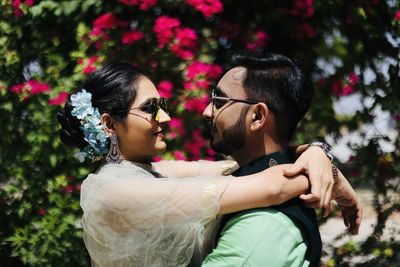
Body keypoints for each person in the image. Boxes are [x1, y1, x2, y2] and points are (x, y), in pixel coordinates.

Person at [57, 62, 358, 267]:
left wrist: (316, 152)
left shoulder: (157, 173)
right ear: (109, 124)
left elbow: (251, 166)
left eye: (162, 106)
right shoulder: (112, 193)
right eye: (150, 109)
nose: (166, 118)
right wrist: (326, 171)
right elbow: (272, 184)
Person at [201, 51, 361, 267]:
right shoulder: (247, 177)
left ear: (257, 116)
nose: (207, 112)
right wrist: (318, 152)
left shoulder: (261, 225)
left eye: (219, 101)